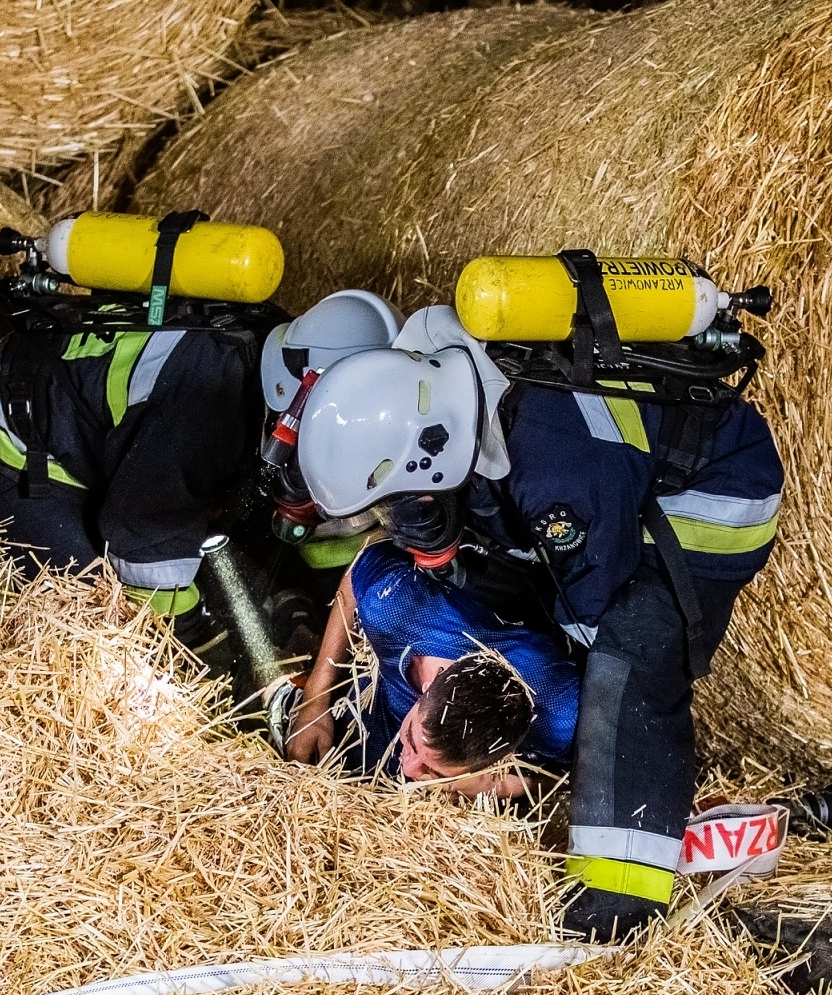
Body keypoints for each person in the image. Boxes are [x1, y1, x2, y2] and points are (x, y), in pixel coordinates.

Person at [292, 305, 784, 941]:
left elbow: (590, 606)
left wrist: (543, 752)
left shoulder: (558, 478)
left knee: (628, 661)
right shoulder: (441, 390)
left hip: (711, 495)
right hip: (610, 484)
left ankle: (620, 900)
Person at [0, 285, 402, 674]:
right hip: (2, 444)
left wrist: (336, 609)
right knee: (100, 619)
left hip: (114, 432)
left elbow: (315, 501)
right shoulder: (208, 403)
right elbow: (140, 539)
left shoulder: (288, 359)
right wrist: (221, 663)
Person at [285, 539, 581, 799]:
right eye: (413, 740)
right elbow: (362, 566)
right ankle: (295, 628)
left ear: (498, 756)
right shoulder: (393, 607)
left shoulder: (558, 712)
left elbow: (566, 781)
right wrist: (315, 701)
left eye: (434, 770)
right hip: (372, 712)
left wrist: (495, 786)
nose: (411, 769)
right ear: (430, 685)